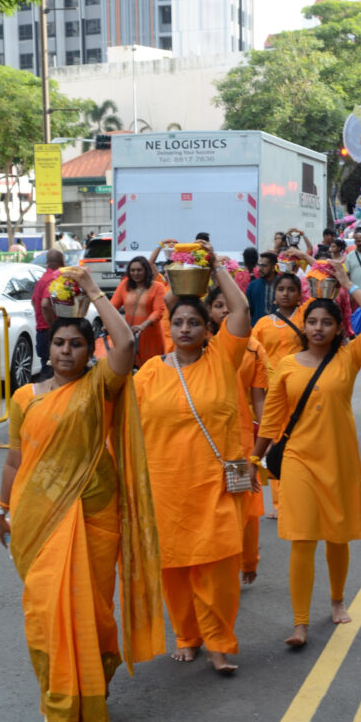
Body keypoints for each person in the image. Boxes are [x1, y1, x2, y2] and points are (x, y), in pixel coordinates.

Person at [0, 267, 164, 722]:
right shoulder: (25, 399)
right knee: (45, 617)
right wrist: (1, 507)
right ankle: (60, 709)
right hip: (36, 519)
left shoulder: (98, 388)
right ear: (48, 348)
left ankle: (90, 692)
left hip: (92, 515)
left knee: (92, 615)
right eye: (60, 344)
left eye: (76, 345)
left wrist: (92, 292)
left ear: (90, 350)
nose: (66, 352)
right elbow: (14, 459)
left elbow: (128, 347)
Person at [251, 261, 361, 647]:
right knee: (303, 538)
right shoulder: (287, 366)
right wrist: (252, 458)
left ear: (337, 326)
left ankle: (338, 600)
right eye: (312, 322)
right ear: (304, 325)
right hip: (297, 460)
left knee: (337, 536)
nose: (318, 328)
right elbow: (274, 419)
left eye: (326, 322)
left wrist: (349, 284)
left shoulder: (348, 358)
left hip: (339, 460)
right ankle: (300, 624)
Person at [134, 244, 251, 674]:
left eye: (194, 322)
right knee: (176, 568)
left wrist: (216, 266)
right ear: (169, 325)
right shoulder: (149, 373)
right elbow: (129, 430)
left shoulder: (223, 359)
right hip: (166, 486)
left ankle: (219, 642)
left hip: (216, 483)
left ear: (208, 328)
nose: (185, 328)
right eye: (178, 321)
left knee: (218, 568)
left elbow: (239, 310)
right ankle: (186, 635)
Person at [207, 286, 269, 585]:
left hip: (238, 440)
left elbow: (258, 398)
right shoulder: (195, 344)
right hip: (202, 440)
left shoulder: (253, 347)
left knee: (242, 502)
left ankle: (247, 560)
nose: (223, 311)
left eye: (227, 306)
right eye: (217, 305)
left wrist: (267, 435)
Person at [251, 272, 306, 521]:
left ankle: (302, 495)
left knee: (300, 443)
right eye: (280, 289)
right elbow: (253, 357)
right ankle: (279, 502)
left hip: (302, 390)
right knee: (274, 443)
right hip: (273, 394)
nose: (285, 293)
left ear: (299, 293)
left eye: (290, 289)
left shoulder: (307, 317)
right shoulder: (262, 324)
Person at [110, 256, 166, 368]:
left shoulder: (158, 287)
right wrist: (108, 323)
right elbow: (111, 307)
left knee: (152, 369)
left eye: (139, 270)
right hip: (130, 335)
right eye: (132, 270)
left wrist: (142, 326)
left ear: (146, 270)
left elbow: (158, 312)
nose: (136, 273)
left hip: (151, 337)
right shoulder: (124, 285)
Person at [32, 249, 64, 375]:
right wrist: (53, 326)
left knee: (46, 368)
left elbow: (34, 302)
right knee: (51, 374)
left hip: (41, 332)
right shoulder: (53, 279)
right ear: (61, 262)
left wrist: (40, 318)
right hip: (49, 332)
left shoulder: (43, 278)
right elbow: (45, 304)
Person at [246, 251, 278, 326]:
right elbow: (247, 311)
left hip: (278, 329)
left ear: (273, 267)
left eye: (264, 266)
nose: (259, 269)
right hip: (256, 331)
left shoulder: (282, 286)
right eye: (259, 265)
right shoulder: (252, 286)